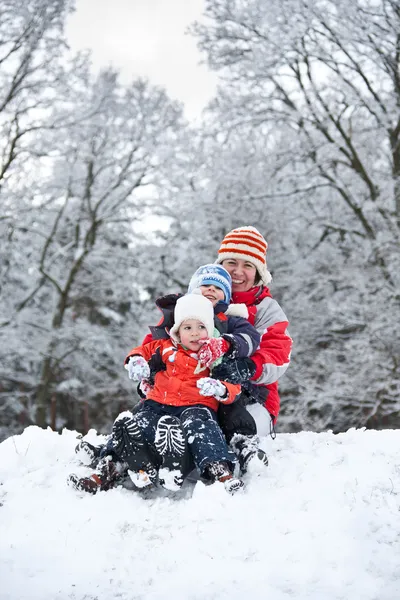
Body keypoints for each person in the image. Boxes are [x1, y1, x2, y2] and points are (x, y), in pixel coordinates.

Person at [70, 291, 250, 495]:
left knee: (202, 429)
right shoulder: (164, 347)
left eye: (201, 327)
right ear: (177, 331)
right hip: (158, 403)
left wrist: (221, 389)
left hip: (197, 406)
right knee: (137, 423)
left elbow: (233, 385)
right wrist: (136, 360)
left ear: (210, 330)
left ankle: (221, 472)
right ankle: (107, 470)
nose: (194, 333)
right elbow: (141, 350)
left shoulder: (214, 356)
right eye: (188, 327)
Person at [211, 226, 292, 469]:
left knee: (230, 426)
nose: (238, 272)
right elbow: (164, 337)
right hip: (202, 393)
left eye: (248, 265)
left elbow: (278, 354)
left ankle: (244, 455)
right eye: (231, 262)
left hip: (253, 398)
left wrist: (248, 366)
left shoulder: (267, 309)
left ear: (258, 273)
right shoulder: (202, 299)